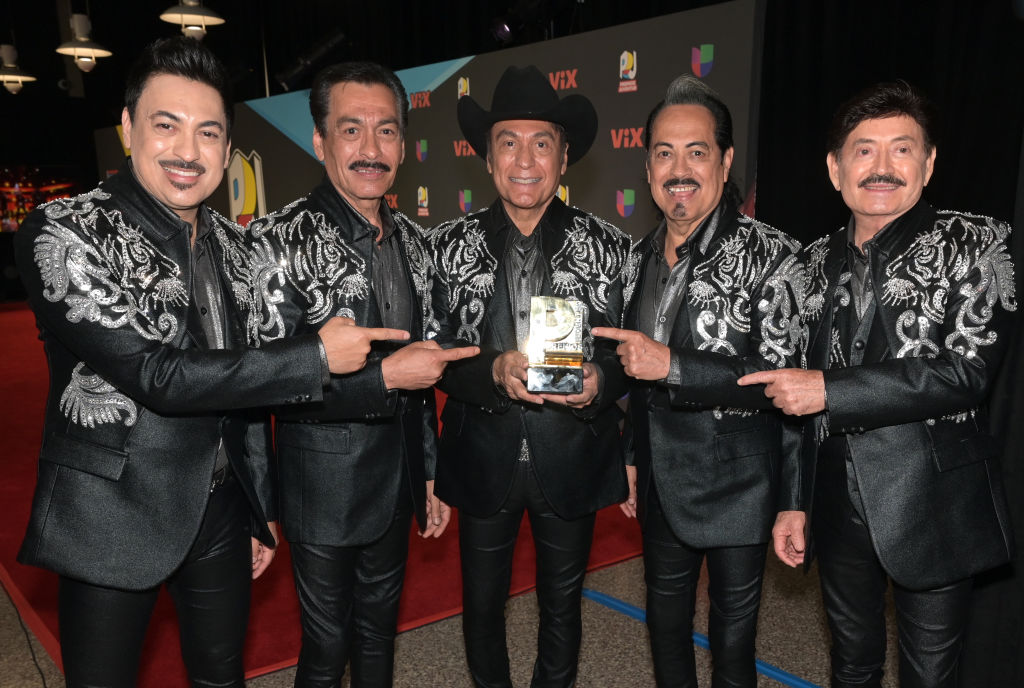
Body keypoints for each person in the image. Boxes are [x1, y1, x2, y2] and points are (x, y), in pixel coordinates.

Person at [14, 37, 403, 688]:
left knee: (222, 677)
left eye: (208, 133)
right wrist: (316, 353)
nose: (187, 152)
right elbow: (156, 376)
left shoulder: (234, 244)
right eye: (166, 126)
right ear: (128, 129)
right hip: (114, 511)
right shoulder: (66, 231)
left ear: (227, 150)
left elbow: (245, 387)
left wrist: (257, 506)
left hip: (218, 509)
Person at [739, 81, 1017, 687]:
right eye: (864, 151)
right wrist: (792, 499)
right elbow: (789, 393)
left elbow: (965, 370)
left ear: (929, 163)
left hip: (934, 501)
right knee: (852, 662)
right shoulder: (808, 265)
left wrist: (831, 391)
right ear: (836, 168)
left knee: (931, 676)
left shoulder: (978, 243)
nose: (883, 168)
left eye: (902, 149)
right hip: (835, 501)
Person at [245, 61, 477, 687]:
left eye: (387, 131)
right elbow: (264, 386)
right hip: (321, 484)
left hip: (398, 478)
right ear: (320, 142)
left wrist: (428, 469)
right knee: (325, 650)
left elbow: (424, 372)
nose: (371, 149)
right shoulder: (277, 242)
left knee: (379, 639)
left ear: (404, 141)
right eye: (352, 131)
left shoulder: (414, 241)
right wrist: (259, 505)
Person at [592, 75, 805, 687]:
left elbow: (782, 380)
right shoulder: (637, 257)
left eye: (696, 152)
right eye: (664, 153)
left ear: (726, 160)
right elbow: (632, 373)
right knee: (664, 631)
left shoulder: (773, 255)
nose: (679, 169)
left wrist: (675, 366)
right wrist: (631, 454)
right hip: (661, 477)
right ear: (648, 165)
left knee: (733, 646)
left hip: (739, 481)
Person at [427, 65, 632, 688]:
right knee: (482, 608)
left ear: (564, 158)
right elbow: (431, 355)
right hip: (480, 457)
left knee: (562, 607)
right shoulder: (447, 247)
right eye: (508, 142)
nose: (525, 159)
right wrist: (490, 369)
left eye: (542, 143)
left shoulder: (609, 247)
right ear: (487, 160)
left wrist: (600, 381)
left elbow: (631, 358)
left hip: (572, 456)